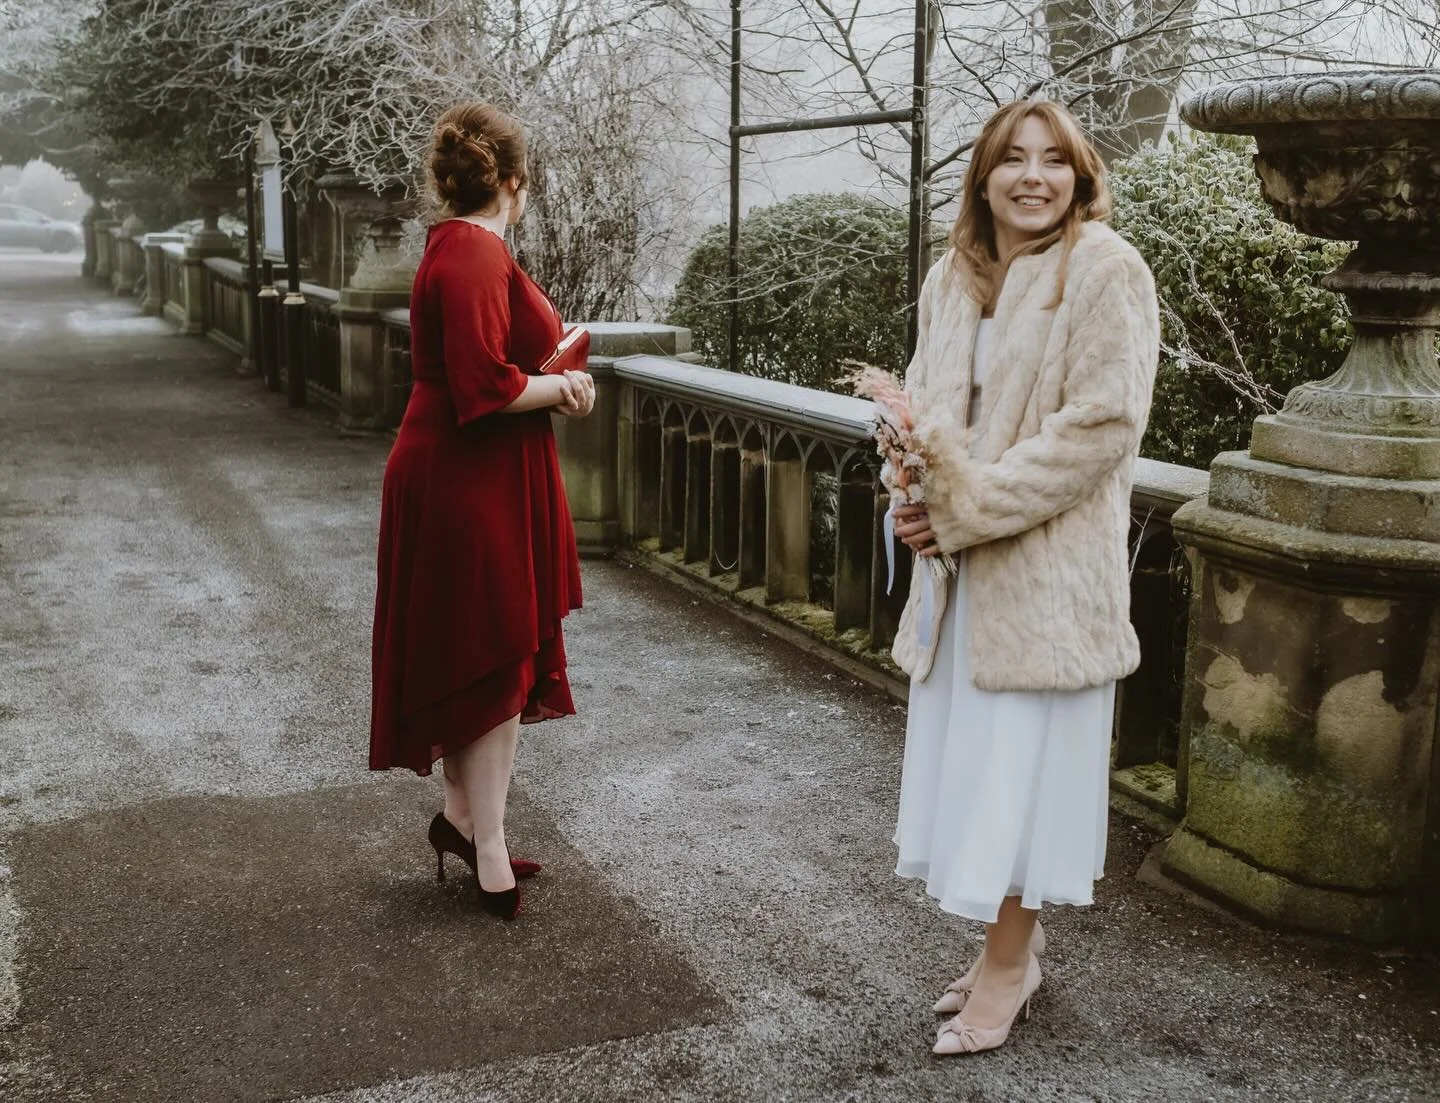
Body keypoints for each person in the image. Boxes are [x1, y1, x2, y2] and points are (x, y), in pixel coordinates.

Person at [888, 99, 1160, 1055]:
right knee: (980, 772)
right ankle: (1014, 945)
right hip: (961, 584)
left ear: (1081, 175)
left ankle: (1008, 966)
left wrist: (966, 507)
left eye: (1053, 160)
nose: (1032, 177)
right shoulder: (952, 279)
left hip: (1046, 583)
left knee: (1017, 776)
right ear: (984, 176)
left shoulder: (1106, 269)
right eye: (1013, 159)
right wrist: (911, 492)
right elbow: (923, 412)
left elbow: (1099, 428)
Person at [369, 102, 595, 921]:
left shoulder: (472, 248)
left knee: (486, 650)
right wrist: (562, 388)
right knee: (496, 661)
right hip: (466, 480)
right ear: (513, 181)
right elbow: (480, 386)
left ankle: (465, 821)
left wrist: (555, 378)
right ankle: (486, 844)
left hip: (483, 475)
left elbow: (496, 367)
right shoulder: (470, 252)